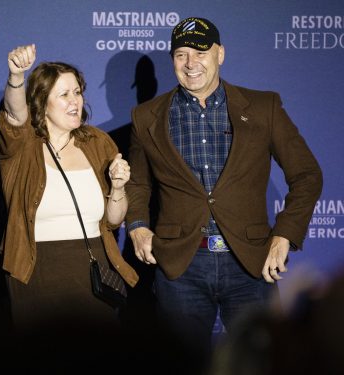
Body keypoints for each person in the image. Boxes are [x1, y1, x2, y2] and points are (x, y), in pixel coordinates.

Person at [125, 17, 323, 367]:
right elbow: (138, 182)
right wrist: (138, 224)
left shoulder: (263, 107)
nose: (190, 63)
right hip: (180, 265)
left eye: (200, 52)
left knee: (267, 364)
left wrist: (284, 235)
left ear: (220, 54)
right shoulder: (146, 117)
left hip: (250, 262)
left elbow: (307, 175)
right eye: (181, 54)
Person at [0, 44, 138, 329]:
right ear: (40, 102)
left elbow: (113, 220)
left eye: (78, 92)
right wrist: (16, 76)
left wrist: (119, 187)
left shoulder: (97, 142)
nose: (75, 101)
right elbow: (14, 115)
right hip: (35, 271)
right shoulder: (23, 144)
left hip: (91, 268)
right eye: (64, 94)